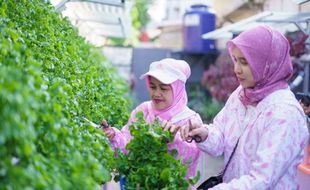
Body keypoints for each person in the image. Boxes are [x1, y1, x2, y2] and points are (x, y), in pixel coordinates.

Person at [177, 25, 309, 189]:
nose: (236, 69)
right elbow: (222, 138)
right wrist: (204, 134)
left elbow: (261, 181)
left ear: (266, 63)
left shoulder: (285, 113)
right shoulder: (242, 95)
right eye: (236, 60)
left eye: (245, 62)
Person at [102, 58, 203, 178]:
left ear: (178, 89)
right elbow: (127, 145)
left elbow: (190, 159)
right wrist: (114, 135)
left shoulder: (190, 121)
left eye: (163, 88)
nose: (156, 93)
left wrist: (174, 140)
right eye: (152, 87)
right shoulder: (143, 111)